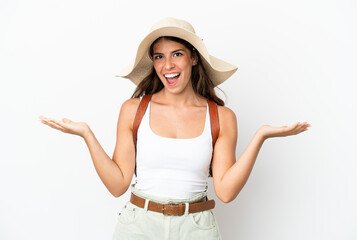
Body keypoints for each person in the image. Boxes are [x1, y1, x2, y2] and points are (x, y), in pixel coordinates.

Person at [39, 17, 311, 240]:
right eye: (159, 56)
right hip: (138, 226)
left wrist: (260, 136)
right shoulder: (134, 110)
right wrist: (87, 134)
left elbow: (226, 192)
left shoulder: (222, 117)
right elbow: (118, 184)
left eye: (176, 54)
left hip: (197, 228)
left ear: (193, 58)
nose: (167, 65)